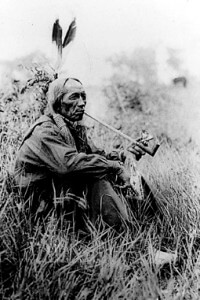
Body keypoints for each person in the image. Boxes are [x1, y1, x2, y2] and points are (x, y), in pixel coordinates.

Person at [14, 77, 148, 231]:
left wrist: (125, 154)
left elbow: (97, 155)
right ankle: (123, 237)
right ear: (57, 102)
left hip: (59, 193)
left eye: (83, 96)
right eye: (74, 97)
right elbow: (69, 165)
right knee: (98, 177)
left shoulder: (72, 127)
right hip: (38, 206)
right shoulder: (44, 131)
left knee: (118, 173)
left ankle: (149, 227)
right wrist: (114, 167)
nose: (82, 102)